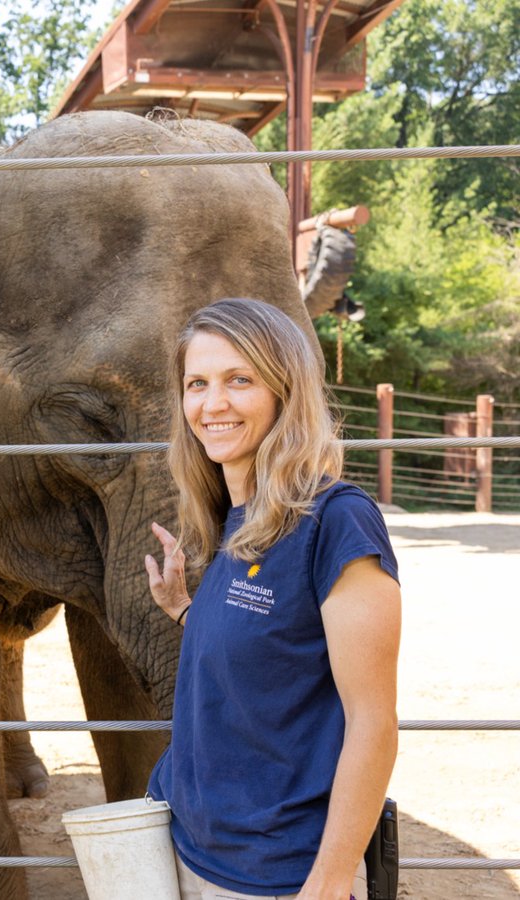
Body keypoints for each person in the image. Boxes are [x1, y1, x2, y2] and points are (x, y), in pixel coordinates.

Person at [144, 298, 401, 900]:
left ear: (286, 390)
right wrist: (188, 611)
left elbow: (373, 722)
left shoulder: (337, 523)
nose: (213, 404)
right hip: (189, 850)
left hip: (279, 874)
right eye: (197, 383)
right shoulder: (238, 517)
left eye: (240, 380)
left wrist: (331, 880)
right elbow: (274, 653)